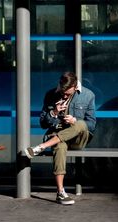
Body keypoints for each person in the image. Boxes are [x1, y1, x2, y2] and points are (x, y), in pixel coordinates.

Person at [24, 72, 96, 205]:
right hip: (59, 136)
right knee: (59, 146)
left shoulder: (88, 95)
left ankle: (41, 147)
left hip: (78, 139)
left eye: (67, 94)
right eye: (62, 92)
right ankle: (60, 192)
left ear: (75, 87)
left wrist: (74, 120)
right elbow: (43, 124)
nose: (64, 96)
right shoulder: (51, 94)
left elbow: (91, 124)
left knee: (80, 124)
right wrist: (54, 113)